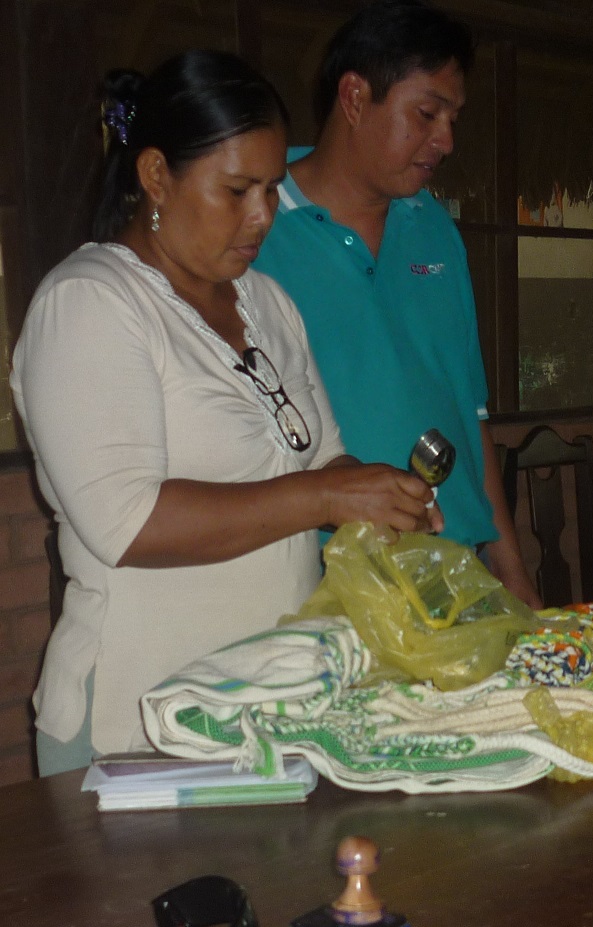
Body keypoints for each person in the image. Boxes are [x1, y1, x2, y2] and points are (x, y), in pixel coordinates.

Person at [11, 51, 441, 774]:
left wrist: (373, 496)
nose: (262, 216)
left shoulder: (267, 303)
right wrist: (325, 495)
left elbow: (321, 457)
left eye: (272, 190)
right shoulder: (90, 303)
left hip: (279, 701)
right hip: (139, 721)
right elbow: (128, 521)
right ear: (155, 176)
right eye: (236, 190)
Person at [254, 0, 540, 608]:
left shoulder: (433, 226)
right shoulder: (255, 225)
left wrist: (512, 570)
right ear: (356, 98)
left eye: (453, 118)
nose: (446, 140)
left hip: (457, 573)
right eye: (427, 113)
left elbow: (470, 412)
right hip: (331, 585)